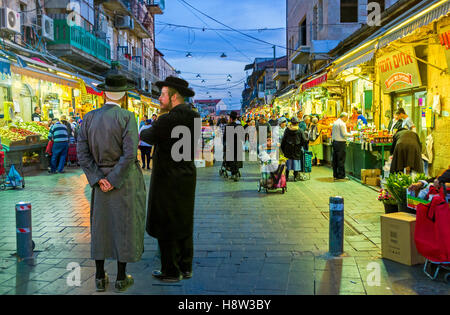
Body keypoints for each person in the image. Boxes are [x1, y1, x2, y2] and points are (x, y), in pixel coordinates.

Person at [77, 74, 146, 293]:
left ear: (104, 93)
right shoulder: (127, 117)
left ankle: (99, 277)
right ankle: (120, 277)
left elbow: (82, 153)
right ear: (124, 95)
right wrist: (114, 179)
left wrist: (98, 179)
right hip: (123, 181)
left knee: (100, 226)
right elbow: (129, 155)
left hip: (100, 182)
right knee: (123, 227)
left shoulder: (88, 118)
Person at [140, 76, 199, 283]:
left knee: (166, 222)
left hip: (167, 177)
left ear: (174, 96)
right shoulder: (195, 117)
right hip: (186, 175)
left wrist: (154, 122)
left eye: (163, 94)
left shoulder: (166, 120)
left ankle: (171, 271)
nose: (159, 98)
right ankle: (186, 266)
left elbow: (146, 136)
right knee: (184, 220)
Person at [281, 117, 308, 182]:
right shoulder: (300, 130)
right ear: (297, 123)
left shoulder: (287, 130)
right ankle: (295, 177)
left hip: (288, 149)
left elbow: (284, 139)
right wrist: (302, 145)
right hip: (297, 149)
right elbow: (304, 140)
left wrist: (283, 149)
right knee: (296, 163)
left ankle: (286, 177)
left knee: (288, 163)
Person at [223, 111, 244, 181]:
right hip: (238, 144)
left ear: (231, 118)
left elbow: (225, 137)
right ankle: (236, 172)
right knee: (237, 159)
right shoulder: (239, 126)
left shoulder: (228, 126)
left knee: (231, 159)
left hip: (230, 145)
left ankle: (233, 173)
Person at [332, 112, 351, 180]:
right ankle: (341, 175)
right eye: (347, 118)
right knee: (341, 160)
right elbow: (344, 134)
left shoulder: (335, 122)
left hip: (335, 142)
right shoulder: (342, 124)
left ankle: (335, 174)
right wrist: (353, 134)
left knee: (335, 159)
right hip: (341, 143)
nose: (347, 119)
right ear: (344, 117)